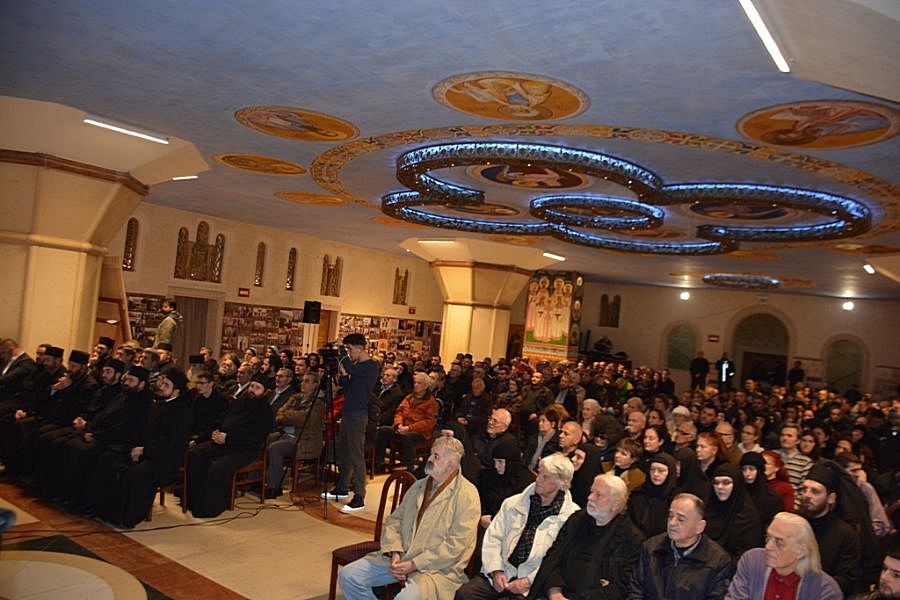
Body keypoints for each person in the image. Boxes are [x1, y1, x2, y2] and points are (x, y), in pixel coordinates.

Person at [337, 436, 480, 599]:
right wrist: (395, 551)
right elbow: (395, 520)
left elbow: (456, 546)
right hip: (402, 556)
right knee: (349, 576)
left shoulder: (467, 495)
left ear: (451, 464)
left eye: (436, 456)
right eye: (431, 454)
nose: (429, 459)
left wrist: (415, 564)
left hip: (436, 568)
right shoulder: (419, 486)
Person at [457, 453, 578, 599]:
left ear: (562, 483)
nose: (538, 479)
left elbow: (559, 560)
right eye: (539, 473)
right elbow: (493, 538)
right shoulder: (513, 503)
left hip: (534, 582)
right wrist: (496, 570)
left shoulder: (571, 517)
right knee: (465, 594)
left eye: (545, 477)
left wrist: (529, 581)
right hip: (502, 571)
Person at [85, 368, 192, 528]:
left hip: (163, 460)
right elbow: (141, 429)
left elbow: (171, 443)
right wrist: (135, 446)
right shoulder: (157, 405)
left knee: (135, 474)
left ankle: (126, 518)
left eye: (166, 385)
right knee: (107, 459)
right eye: (161, 383)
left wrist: (144, 450)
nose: (161, 387)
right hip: (143, 450)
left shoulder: (182, 412)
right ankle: (100, 509)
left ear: (177, 391)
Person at [529, 472, 644, 600]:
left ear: (615, 504)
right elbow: (553, 558)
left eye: (598, 495)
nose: (590, 498)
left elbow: (621, 587)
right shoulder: (577, 520)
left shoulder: (631, 539)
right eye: (591, 492)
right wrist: (555, 592)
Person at [187, 374, 275, 518]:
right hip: (223, 443)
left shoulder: (265, 412)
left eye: (257, 388)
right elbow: (222, 419)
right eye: (252, 386)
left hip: (244, 450)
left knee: (218, 468)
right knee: (195, 454)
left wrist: (228, 438)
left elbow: (254, 436)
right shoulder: (240, 401)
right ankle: (192, 500)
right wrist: (216, 432)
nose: (252, 390)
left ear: (265, 392)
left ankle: (210, 507)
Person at [628, 493, 734, 600]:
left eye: (681, 519)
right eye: (670, 516)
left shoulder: (718, 561)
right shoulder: (651, 548)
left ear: (699, 527)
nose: (672, 523)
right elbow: (636, 591)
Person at [725, 512, 842, 599]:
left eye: (778, 542)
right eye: (768, 537)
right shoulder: (752, 561)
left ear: (801, 551)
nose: (768, 547)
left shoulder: (825, 590)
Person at [323, 333, 379, 513]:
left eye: (349, 349)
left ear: (359, 348)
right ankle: (342, 487)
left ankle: (360, 496)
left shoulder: (370, 366)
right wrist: (344, 374)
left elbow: (352, 370)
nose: (349, 353)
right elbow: (347, 388)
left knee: (356, 455)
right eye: (346, 349)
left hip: (357, 416)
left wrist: (341, 352)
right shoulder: (356, 368)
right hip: (348, 413)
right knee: (344, 452)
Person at [798, 462, 863, 595]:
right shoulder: (792, 523)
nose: (807, 495)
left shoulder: (845, 534)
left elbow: (846, 579)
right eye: (804, 489)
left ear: (831, 498)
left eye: (815, 491)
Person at [264, 372, 325, 498]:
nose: (302, 383)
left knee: (276, 447)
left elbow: (306, 419)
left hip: (304, 440)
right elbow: (279, 414)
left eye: (307, 381)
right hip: (286, 434)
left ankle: (274, 487)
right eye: (302, 381)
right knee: (264, 440)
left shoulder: (319, 403)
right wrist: (294, 416)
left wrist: (289, 415)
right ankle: (256, 480)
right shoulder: (295, 398)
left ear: (315, 385)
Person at [374, 372, 439, 473]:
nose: (415, 385)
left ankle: (410, 469)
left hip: (420, 433)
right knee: (382, 431)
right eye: (415, 382)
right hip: (403, 427)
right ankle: (380, 464)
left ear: (426, 386)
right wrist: (398, 424)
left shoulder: (431, 402)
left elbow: (429, 422)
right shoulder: (409, 397)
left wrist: (409, 428)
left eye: (419, 383)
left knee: (407, 437)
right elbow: (399, 412)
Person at [705, 463, 764, 561]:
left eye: (726, 482)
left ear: (737, 484)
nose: (720, 487)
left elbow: (748, 556)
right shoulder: (709, 509)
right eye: (716, 483)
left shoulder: (748, 517)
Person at [628, 452, 678, 539]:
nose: (655, 474)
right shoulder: (638, 494)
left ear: (670, 472)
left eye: (661, 470)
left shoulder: (676, 499)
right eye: (652, 469)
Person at [740, 451, 783, 527]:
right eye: (744, 469)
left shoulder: (772, 498)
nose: (747, 474)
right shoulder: (737, 493)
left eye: (751, 469)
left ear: (759, 471)